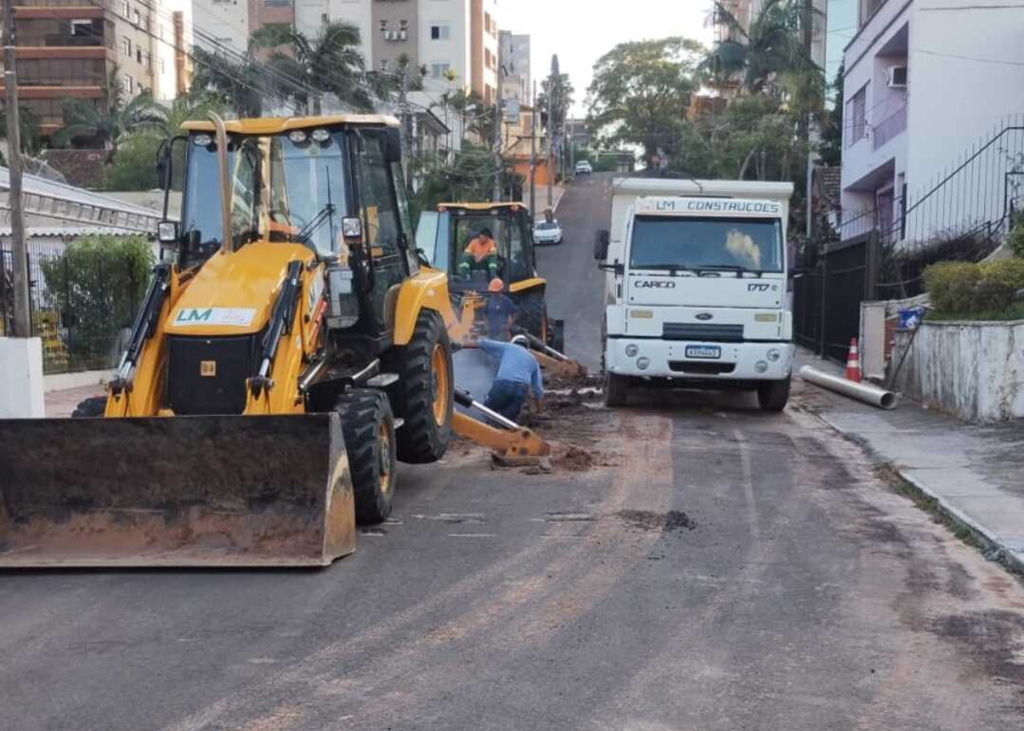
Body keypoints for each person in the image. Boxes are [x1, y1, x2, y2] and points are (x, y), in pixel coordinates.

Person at [473, 335, 544, 422]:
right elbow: (538, 389)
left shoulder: (508, 347)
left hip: (503, 385)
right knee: (507, 422)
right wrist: (539, 411)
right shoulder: (533, 359)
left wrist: (460, 345)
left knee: (487, 411)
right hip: (521, 390)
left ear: (513, 342)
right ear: (526, 347)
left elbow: (482, 343)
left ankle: (483, 430)